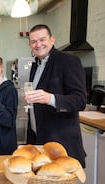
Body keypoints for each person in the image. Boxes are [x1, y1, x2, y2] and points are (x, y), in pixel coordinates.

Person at [25, 24, 87, 167]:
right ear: (30, 45)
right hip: (40, 141)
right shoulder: (35, 65)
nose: (38, 44)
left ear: (52, 40)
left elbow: (80, 101)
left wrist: (50, 98)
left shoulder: (68, 61)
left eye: (42, 39)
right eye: (34, 42)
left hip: (61, 145)